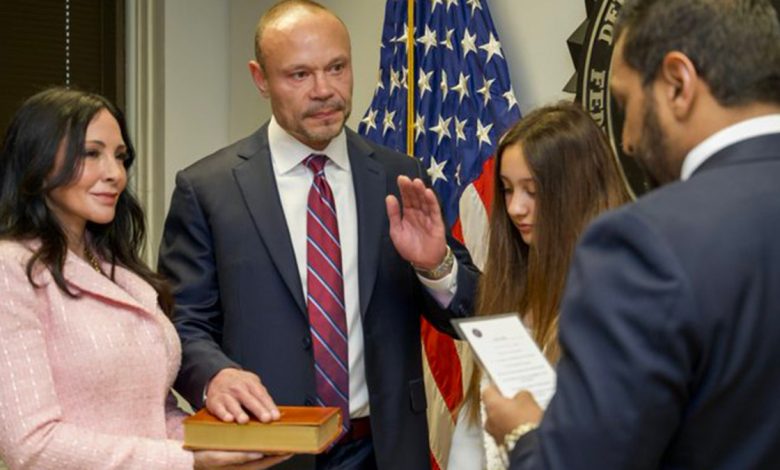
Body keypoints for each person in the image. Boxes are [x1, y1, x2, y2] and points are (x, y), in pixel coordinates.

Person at [157, 1, 479, 469]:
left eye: (337, 68)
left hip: (384, 450)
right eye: (299, 75)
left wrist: (435, 265)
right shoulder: (209, 189)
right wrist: (217, 376)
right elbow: (182, 323)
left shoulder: (399, 176)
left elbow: (474, 309)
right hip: (268, 446)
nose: (325, 90)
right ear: (260, 78)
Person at [482, 0, 780, 468]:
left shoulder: (645, 242)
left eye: (625, 105)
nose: (628, 140)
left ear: (678, 84)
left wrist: (523, 431)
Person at [0, 88, 290, 469]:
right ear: (37, 162)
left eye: (120, 157)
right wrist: (191, 461)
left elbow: (152, 413)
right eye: (91, 153)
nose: (115, 174)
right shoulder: (11, 269)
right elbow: (31, 445)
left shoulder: (117, 269)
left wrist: (229, 444)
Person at [454, 102, 630, 470]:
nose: (516, 208)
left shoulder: (617, 301)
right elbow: (474, 426)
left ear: (577, 192)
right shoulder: (511, 286)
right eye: (506, 189)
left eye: (532, 191)